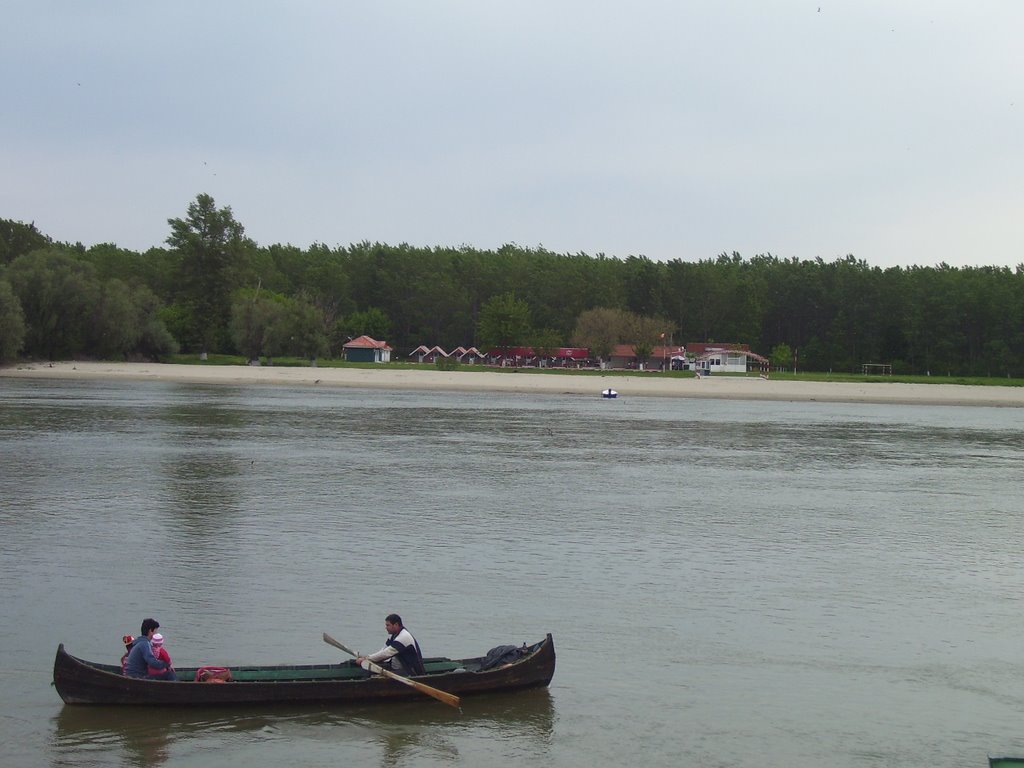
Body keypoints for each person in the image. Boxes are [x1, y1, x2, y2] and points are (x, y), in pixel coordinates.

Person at [356, 614, 426, 676]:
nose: (386, 628)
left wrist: (366, 659)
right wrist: (367, 657)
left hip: (411, 671)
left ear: (396, 625)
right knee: (369, 670)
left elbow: (386, 654)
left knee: (380, 675)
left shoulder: (404, 637)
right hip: (396, 667)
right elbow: (383, 651)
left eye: (388, 625)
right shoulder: (393, 636)